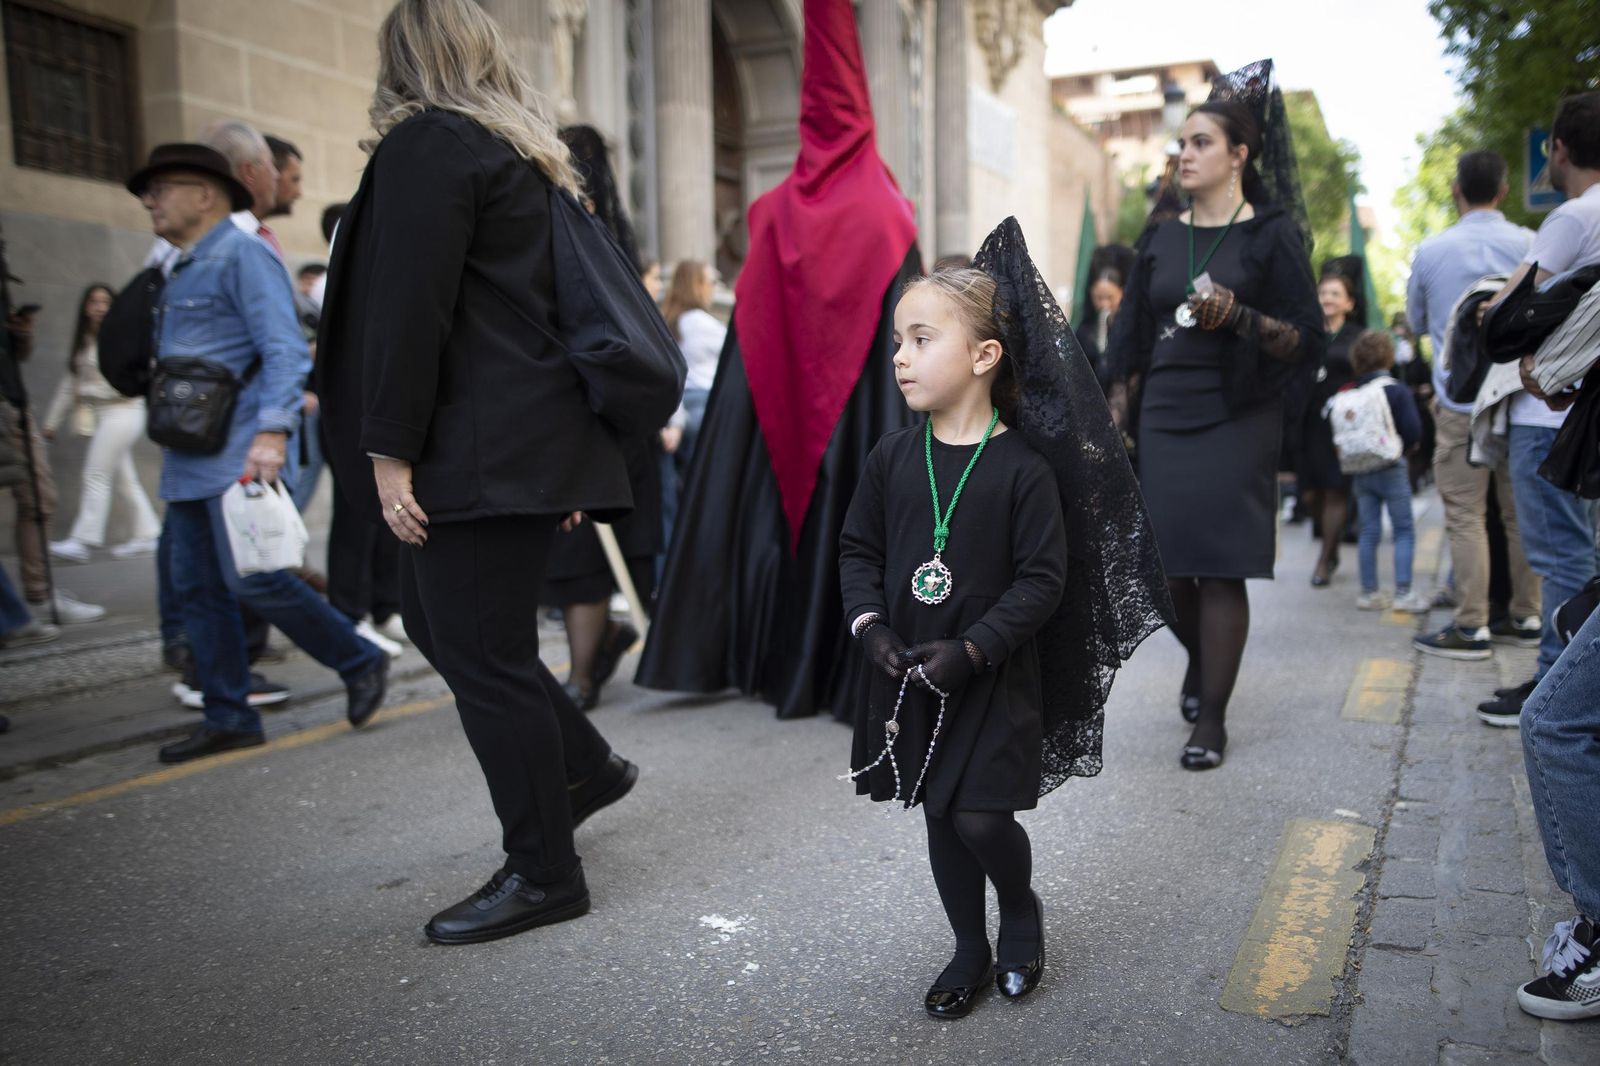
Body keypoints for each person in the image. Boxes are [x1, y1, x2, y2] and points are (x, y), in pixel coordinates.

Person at [317, 0, 640, 945]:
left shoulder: (429, 147)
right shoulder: (519, 158)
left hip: (476, 449)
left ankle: (546, 873)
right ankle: (582, 768)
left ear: (402, 57)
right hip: (516, 447)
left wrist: (388, 455)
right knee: (445, 626)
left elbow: (409, 314)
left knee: (484, 655)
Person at [839, 221, 1168, 1020]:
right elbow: (856, 551)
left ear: (985, 356)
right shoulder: (890, 458)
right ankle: (968, 947)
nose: (901, 357)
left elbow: (1043, 580)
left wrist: (976, 649)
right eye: (897, 342)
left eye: (922, 339)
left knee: (982, 815)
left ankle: (1018, 909)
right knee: (940, 815)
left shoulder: (1023, 468)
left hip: (991, 676)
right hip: (912, 672)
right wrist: (870, 627)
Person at [636, 0, 922, 721]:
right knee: (859, 515)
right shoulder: (886, 212)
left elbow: (753, 341)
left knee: (792, 520)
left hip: (777, 419)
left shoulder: (774, 212)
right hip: (862, 426)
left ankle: (774, 660)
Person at [128, 141, 388, 764]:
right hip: (189, 453)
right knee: (197, 588)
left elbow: (285, 350)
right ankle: (228, 712)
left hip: (237, 450)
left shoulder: (242, 254)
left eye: (161, 188)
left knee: (256, 579)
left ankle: (358, 657)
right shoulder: (180, 264)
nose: (149, 201)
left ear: (205, 193)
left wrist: (272, 434)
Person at [1106, 80, 1325, 770]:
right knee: (1165, 570)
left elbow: (1304, 336)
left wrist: (1237, 316)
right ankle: (1206, 662)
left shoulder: (1272, 234)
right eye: (1182, 145)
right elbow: (1132, 337)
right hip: (1167, 411)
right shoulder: (1163, 237)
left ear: (1239, 154)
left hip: (1238, 412)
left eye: (1201, 143)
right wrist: (1117, 414)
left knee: (1220, 567)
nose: (1186, 156)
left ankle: (1214, 721)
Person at [1477, 91, 1600, 727]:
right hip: (1585, 412)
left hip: (1549, 415)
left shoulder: (1574, 217)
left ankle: (1558, 688)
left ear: (1560, 149)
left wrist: (1485, 309)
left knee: (1562, 557)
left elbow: (1508, 311)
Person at [541, 122, 661, 711]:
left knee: (589, 547)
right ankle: (591, 658)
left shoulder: (594, 236)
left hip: (600, 414)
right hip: (577, 414)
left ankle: (584, 674)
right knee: (576, 551)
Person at [1407, 149, 1542, 661]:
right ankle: (1527, 616)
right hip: (1519, 397)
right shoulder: (1530, 243)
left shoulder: (1431, 250)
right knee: (1517, 513)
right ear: (1504, 192)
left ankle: (1471, 625)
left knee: (1464, 516)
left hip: (1459, 402)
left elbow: (1418, 324)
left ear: (1455, 191)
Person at [43, 284, 162, 562]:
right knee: (124, 479)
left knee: (96, 474)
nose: (99, 307)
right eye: (94, 302)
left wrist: (90, 392)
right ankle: (148, 533)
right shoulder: (83, 342)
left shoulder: (122, 338)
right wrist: (50, 424)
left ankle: (84, 540)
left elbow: (138, 376)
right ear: (85, 307)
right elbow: (68, 384)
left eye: (105, 302)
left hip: (124, 411)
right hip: (101, 414)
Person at [1342, 330, 1426, 612]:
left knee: (1368, 531)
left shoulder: (1352, 392)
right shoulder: (1397, 390)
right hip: (1392, 466)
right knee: (1403, 529)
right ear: (1388, 356)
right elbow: (1414, 430)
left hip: (1361, 469)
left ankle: (1369, 592)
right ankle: (1403, 592)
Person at [1300, 266, 1362, 587]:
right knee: (1311, 495)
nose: (1328, 298)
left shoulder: (1356, 337)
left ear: (1350, 303)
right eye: (1323, 293)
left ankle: (1324, 560)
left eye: (1335, 294)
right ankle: (1331, 544)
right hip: (1309, 420)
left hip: (1342, 423)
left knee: (1336, 489)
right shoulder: (1308, 331)